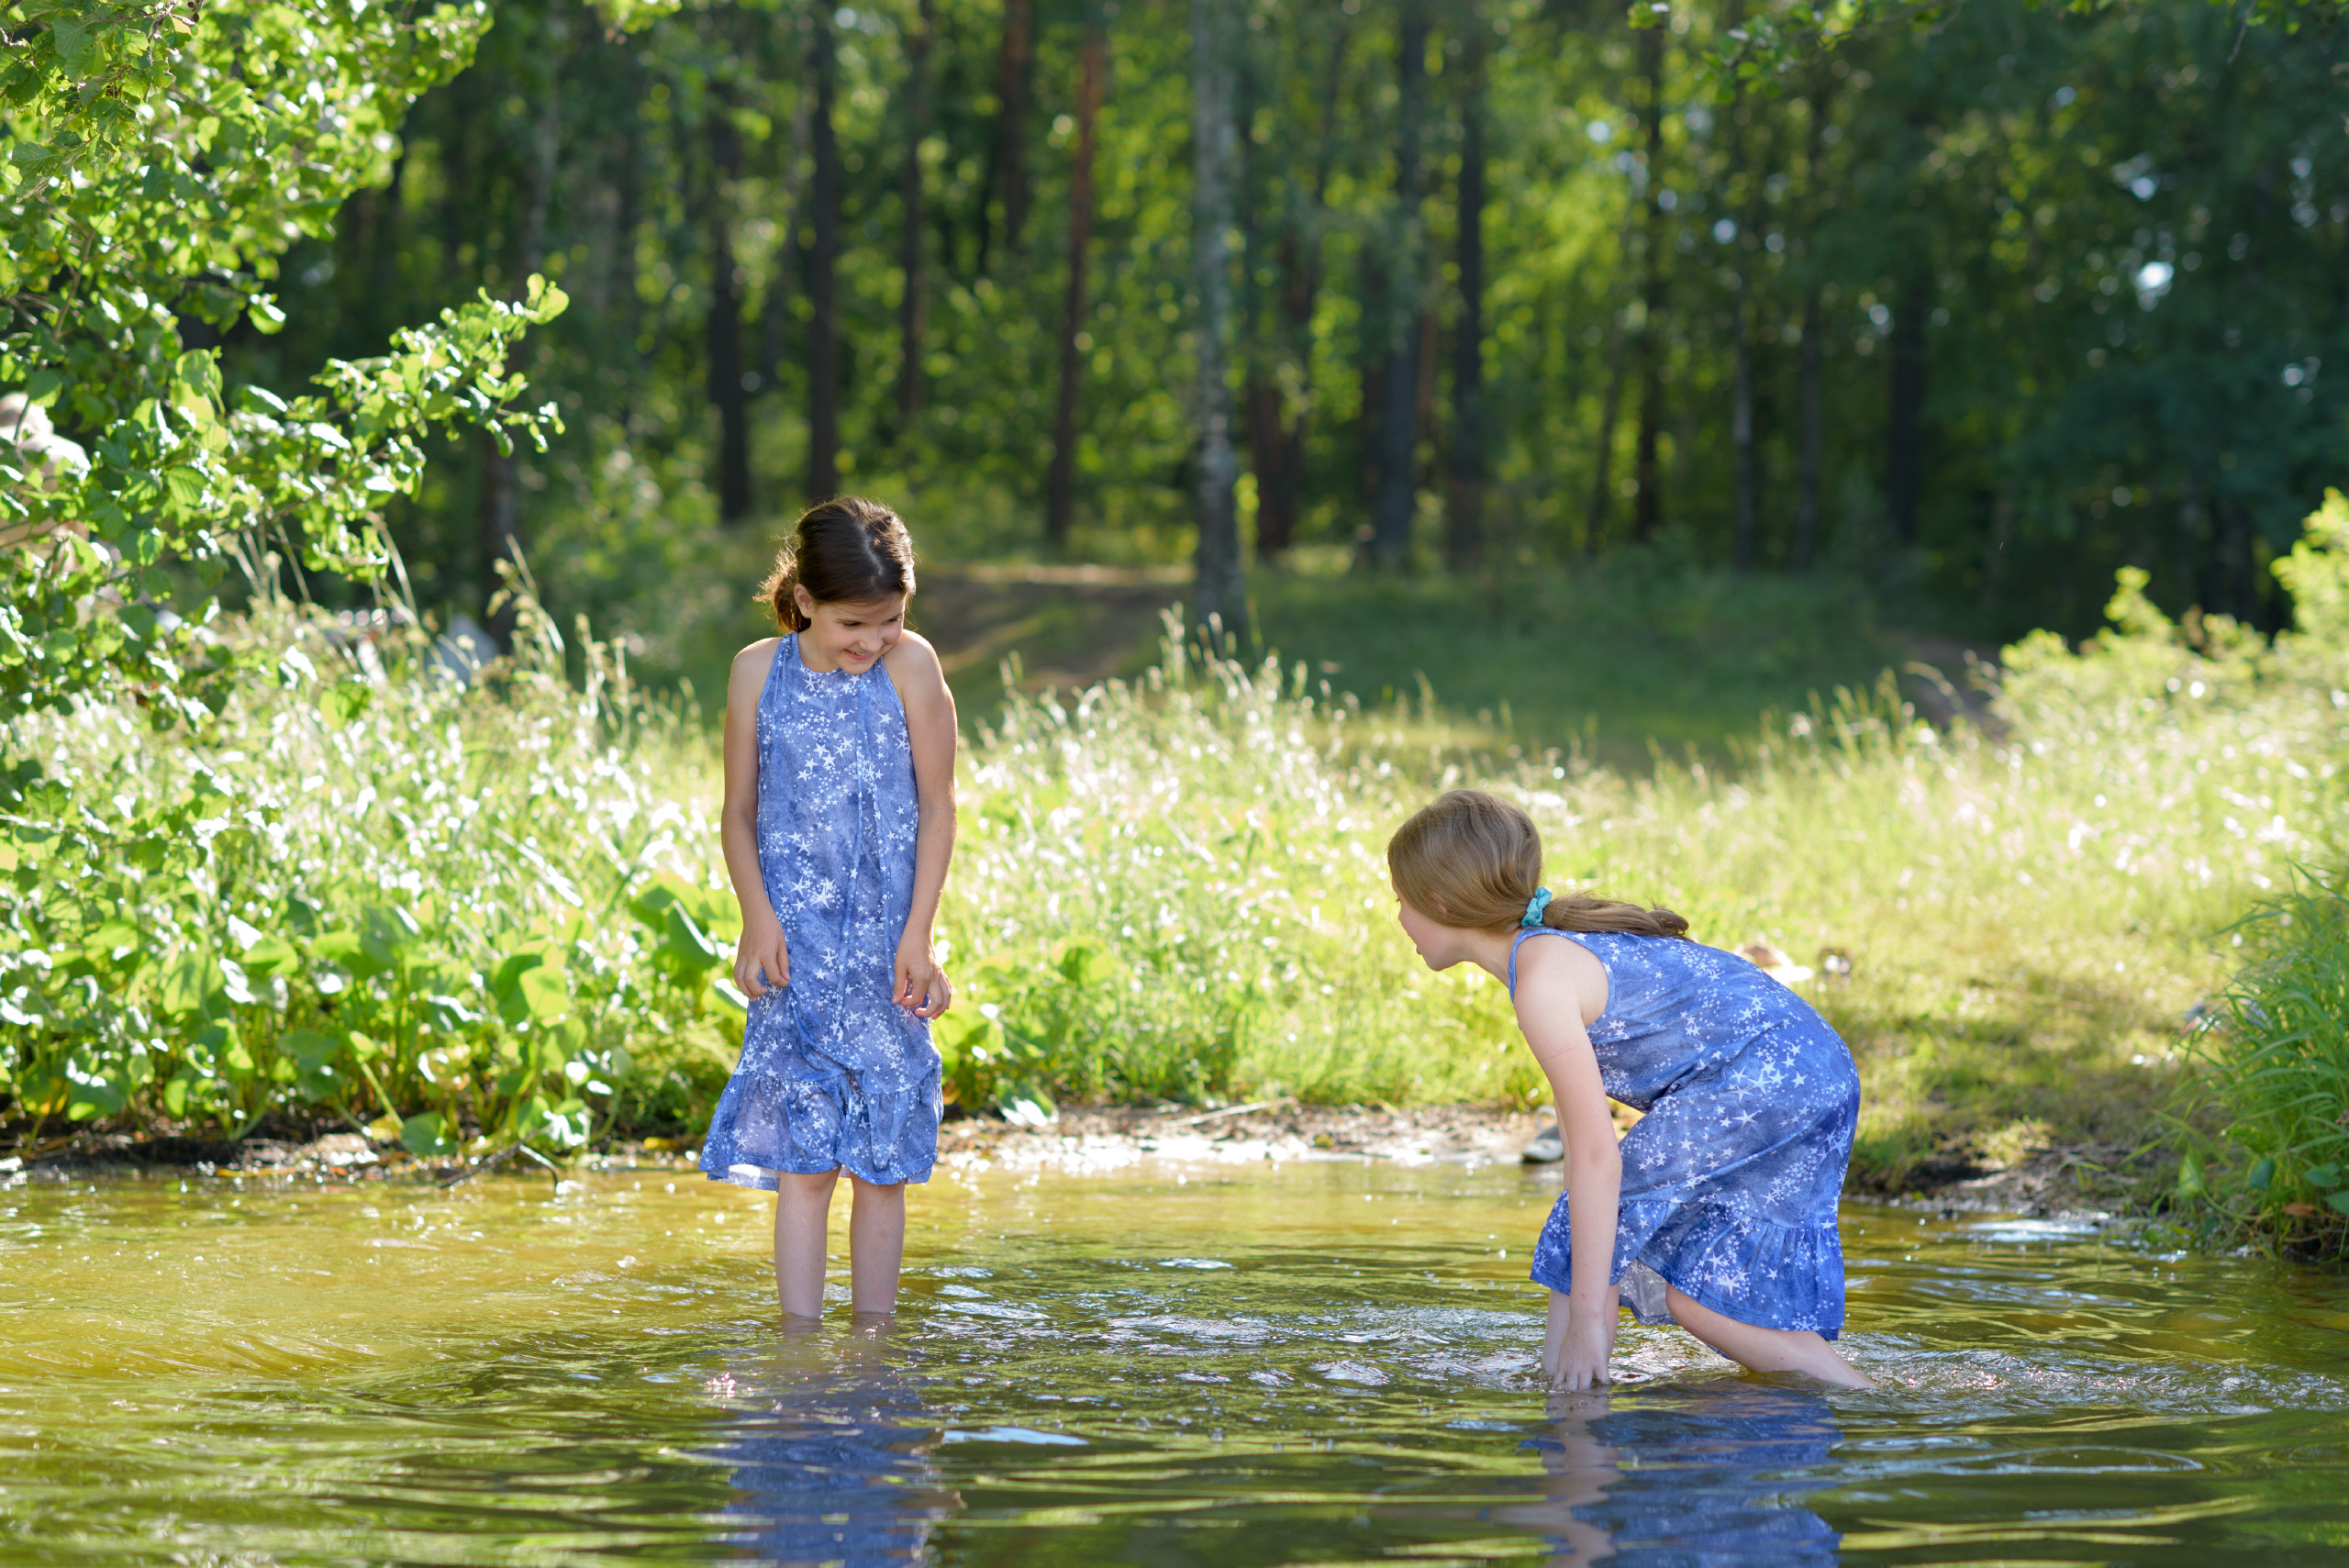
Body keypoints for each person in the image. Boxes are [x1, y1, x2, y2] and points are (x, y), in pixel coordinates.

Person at [1386, 789, 1873, 1391]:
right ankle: (1569, 1392)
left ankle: (1871, 1402)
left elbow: (1598, 1157)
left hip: (1773, 1076)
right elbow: (1580, 1161)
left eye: (1400, 899)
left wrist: (1591, 1321)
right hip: (1806, 1070)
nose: (1399, 917)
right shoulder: (1545, 959)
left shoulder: (1542, 979)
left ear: (1437, 900)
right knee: (1674, 1278)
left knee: (1692, 1293)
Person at [702, 496, 957, 1318]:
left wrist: (920, 932)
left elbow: (940, 803)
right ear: (805, 601)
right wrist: (755, 915)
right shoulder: (756, 673)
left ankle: (874, 1351)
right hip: (795, 950)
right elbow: (737, 812)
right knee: (806, 1168)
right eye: (855, 623)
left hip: (886, 951)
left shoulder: (912, 668)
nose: (874, 640)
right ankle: (802, 1354)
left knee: (882, 1167)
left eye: (891, 619)